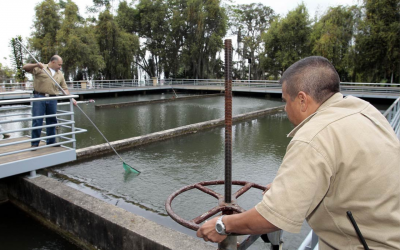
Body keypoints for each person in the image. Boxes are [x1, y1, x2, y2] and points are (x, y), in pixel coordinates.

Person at [196, 56, 400, 249]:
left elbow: (273, 216)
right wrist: (289, 186)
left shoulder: (312, 137)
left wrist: (223, 224)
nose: (285, 108)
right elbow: (348, 171)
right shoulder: (364, 110)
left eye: (286, 100)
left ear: (302, 100)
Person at [23, 55, 77, 148]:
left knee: (52, 120)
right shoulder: (41, 68)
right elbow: (25, 68)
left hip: (52, 98)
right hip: (40, 96)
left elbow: (64, 88)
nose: (60, 67)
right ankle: (35, 143)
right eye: (59, 65)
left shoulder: (60, 74)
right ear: (53, 62)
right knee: (37, 120)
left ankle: (51, 141)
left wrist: (71, 98)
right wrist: (36, 64)